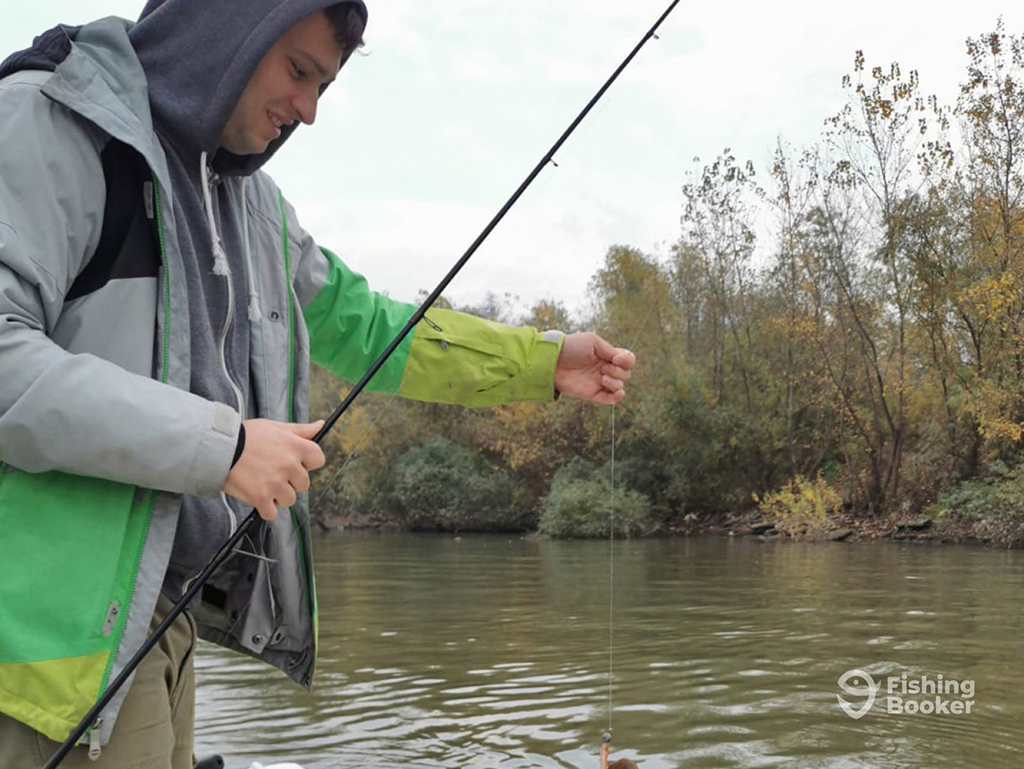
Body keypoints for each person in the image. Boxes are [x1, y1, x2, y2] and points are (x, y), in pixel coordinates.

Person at [0, 1, 636, 767]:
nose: (306, 110)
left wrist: (540, 361)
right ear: (224, 33)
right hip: (35, 657)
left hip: (153, 632)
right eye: (297, 70)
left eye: (323, 87)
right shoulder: (49, 124)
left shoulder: (255, 210)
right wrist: (223, 445)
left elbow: (373, 327)